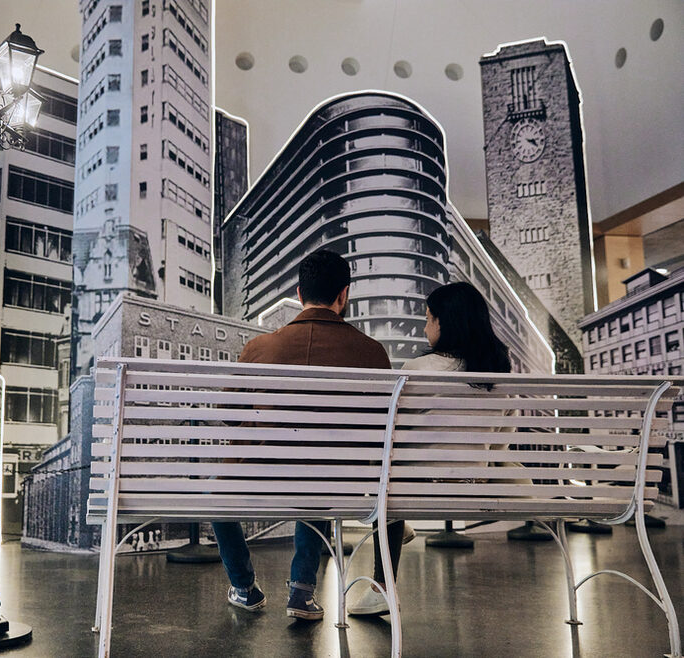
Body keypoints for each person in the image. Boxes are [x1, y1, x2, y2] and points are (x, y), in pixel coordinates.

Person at [212, 249, 391, 620]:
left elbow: (229, 417)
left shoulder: (259, 348)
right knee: (319, 474)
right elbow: (381, 428)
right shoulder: (373, 353)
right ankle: (302, 591)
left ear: (298, 293)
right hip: (338, 483)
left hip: (258, 478)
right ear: (344, 296)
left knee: (219, 493)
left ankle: (244, 588)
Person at [347, 280, 512, 617]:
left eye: (428, 319)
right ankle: (399, 528)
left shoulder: (417, 370)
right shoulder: (501, 374)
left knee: (383, 479)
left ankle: (382, 586)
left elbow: (394, 436)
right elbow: (500, 444)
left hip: (415, 488)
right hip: (475, 487)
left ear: (444, 323)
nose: (425, 327)